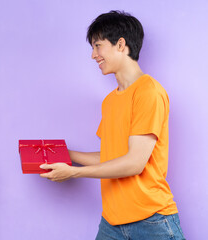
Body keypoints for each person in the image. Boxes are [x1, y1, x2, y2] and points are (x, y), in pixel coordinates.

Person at [40, 11, 185, 239]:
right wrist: (66, 154)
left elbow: (134, 163)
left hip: (152, 221)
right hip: (112, 221)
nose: (93, 55)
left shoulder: (149, 92)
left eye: (98, 46)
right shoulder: (109, 101)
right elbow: (111, 156)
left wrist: (74, 173)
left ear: (120, 44)